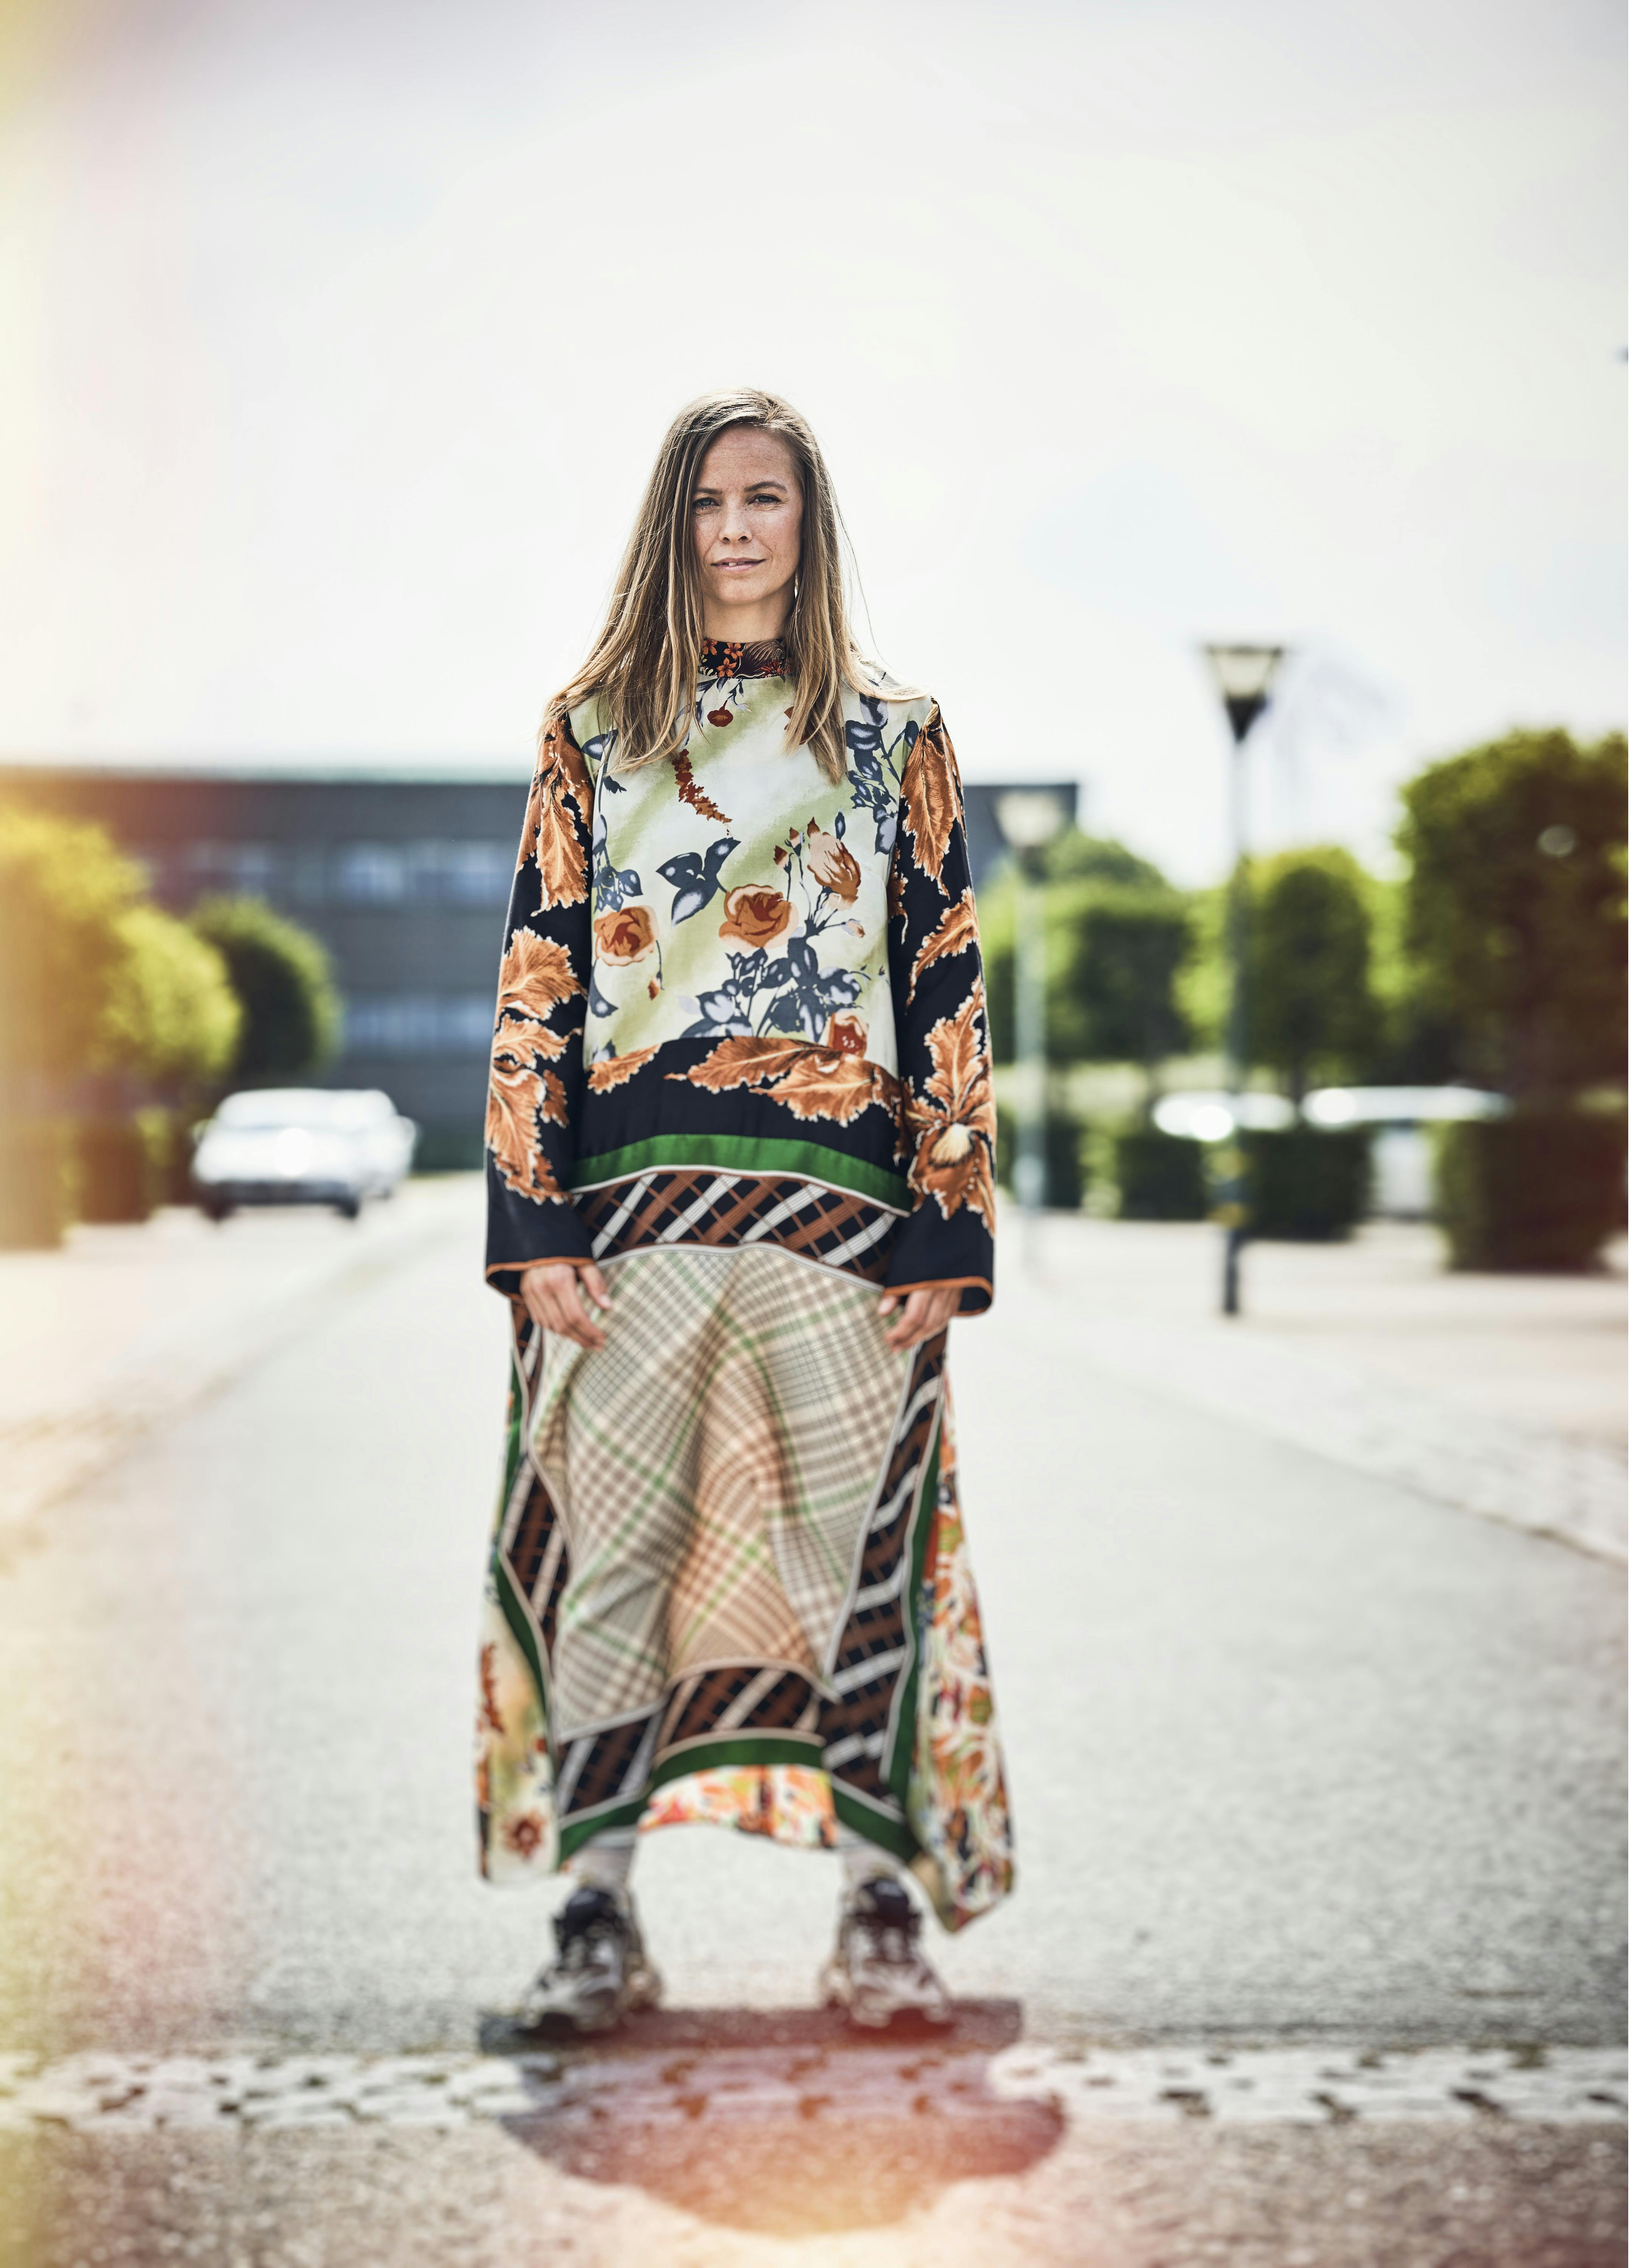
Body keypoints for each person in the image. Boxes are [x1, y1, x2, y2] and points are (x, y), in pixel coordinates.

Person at [475, 387, 1013, 2034]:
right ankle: (596, 1912)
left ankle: (875, 1918)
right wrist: (531, 1220)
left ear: (806, 521)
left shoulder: (895, 734)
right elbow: (538, 972)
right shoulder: (590, 731)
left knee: (854, 1563)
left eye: (762, 498)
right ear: (671, 524)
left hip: (846, 1226)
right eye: (706, 501)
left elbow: (941, 974)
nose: (732, 529)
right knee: (612, 1562)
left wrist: (947, 1224)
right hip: (625, 1227)